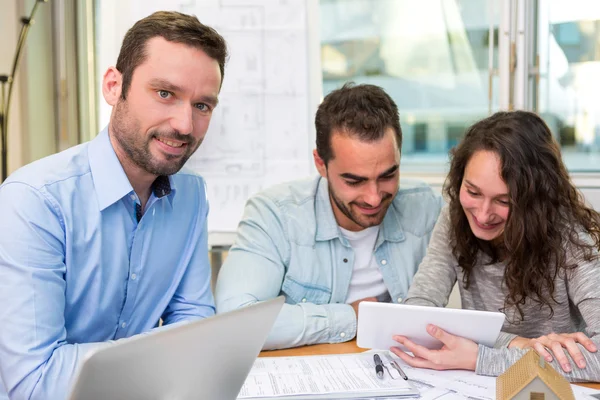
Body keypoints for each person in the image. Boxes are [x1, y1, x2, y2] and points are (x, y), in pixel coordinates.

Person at [0, 11, 227, 400]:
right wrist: (164, 357)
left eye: (202, 105)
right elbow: (33, 382)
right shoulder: (33, 201)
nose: (185, 125)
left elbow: (193, 323)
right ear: (113, 86)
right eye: (165, 93)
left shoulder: (191, 196)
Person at [215, 83, 443, 350]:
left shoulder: (425, 206)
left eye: (388, 175)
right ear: (320, 163)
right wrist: (351, 317)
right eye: (354, 181)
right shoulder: (274, 215)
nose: (373, 197)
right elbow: (237, 323)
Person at [394, 110, 600, 382]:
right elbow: (417, 312)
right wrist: (515, 344)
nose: (482, 214)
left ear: (534, 202)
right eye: (473, 192)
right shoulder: (453, 217)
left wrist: (480, 357)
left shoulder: (570, 238)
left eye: (504, 201)